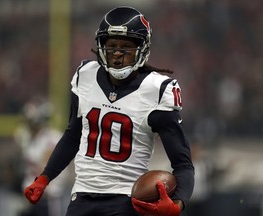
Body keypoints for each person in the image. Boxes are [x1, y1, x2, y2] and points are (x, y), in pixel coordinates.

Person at [24, 6, 194, 216]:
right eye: (111, 46)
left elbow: (183, 164)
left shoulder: (157, 90)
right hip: (82, 196)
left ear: (142, 48)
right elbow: (73, 136)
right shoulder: (85, 76)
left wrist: (178, 204)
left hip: (126, 200)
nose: (117, 54)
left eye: (126, 47)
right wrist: (45, 177)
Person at [15, 97, 70, 216]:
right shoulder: (25, 137)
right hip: (29, 194)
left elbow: (47, 167)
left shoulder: (52, 138)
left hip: (47, 195)